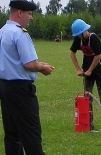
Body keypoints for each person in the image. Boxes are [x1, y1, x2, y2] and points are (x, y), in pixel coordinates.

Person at [0, 1, 54, 154]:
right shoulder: (19, 33)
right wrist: (42, 68)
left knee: (12, 134)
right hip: (21, 90)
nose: (31, 18)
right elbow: (29, 64)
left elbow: (12, 60)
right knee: (31, 133)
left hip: (4, 87)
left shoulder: (2, 31)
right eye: (30, 14)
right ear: (20, 13)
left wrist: (38, 63)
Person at [70, 19, 101, 130]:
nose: (79, 37)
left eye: (80, 35)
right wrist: (78, 69)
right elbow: (72, 53)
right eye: (77, 36)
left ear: (85, 31)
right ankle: (88, 124)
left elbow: (98, 56)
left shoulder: (93, 38)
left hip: (99, 71)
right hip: (87, 71)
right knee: (87, 98)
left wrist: (90, 70)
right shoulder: (78, 39)